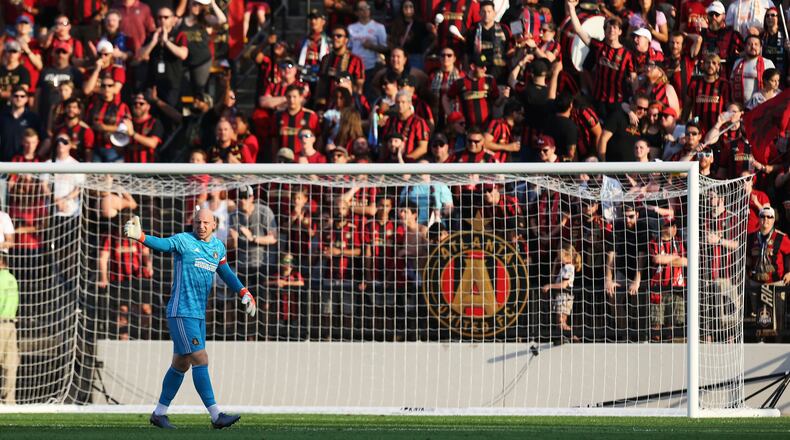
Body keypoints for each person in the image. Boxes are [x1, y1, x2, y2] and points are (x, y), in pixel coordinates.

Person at [122, 208, 254, 429]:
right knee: (200, 358)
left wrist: (244, 292)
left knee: (181, 363)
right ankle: (216, 416)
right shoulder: (184, 241)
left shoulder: (217, 247)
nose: (201, 226)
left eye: (205, 223)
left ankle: (159, 414)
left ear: (214, 225)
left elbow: (226, 273)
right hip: (181, 311)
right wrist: (141, 237)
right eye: (198, 222)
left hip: (198, 314)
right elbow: (163, 245)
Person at [542, 243, 581, 336]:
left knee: (561, 321)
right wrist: (555, 265)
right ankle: (567, 337)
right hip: (559, 296)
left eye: (560, 256)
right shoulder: (563, 267)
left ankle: (574, 337)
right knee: (559, 321)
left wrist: (549, 286)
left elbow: (563, 285)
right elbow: (552, 279)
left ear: (567, 256)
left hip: (564, 296)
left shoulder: (569, 268)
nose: (558, 258)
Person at [0, 251, 19, 405]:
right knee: (11, 363)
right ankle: (9, 400)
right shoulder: (12, 279)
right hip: (11, 324)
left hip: (0, 324)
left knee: (9, 362)